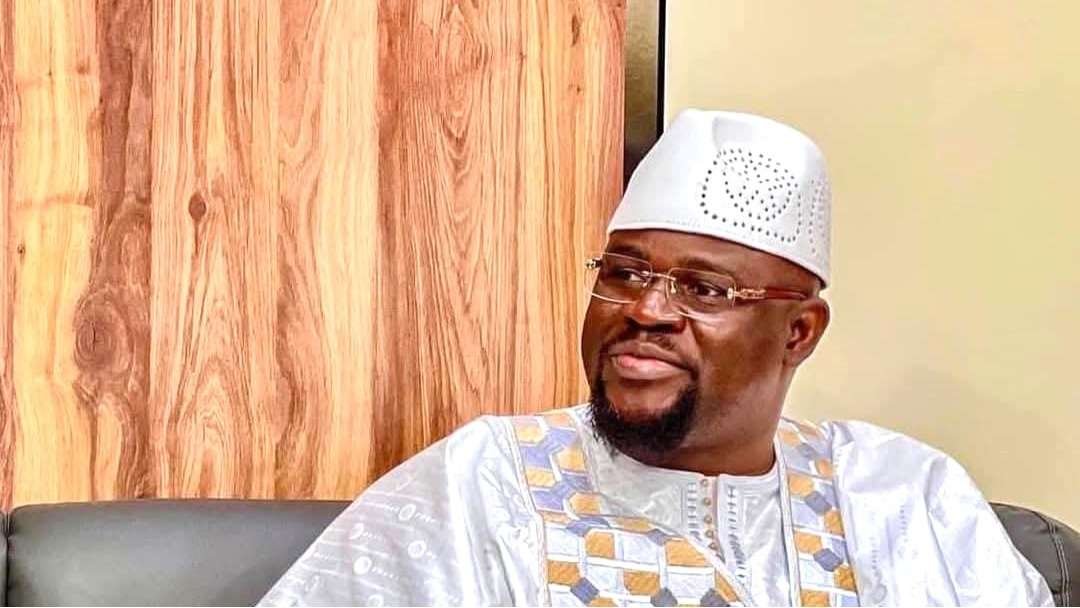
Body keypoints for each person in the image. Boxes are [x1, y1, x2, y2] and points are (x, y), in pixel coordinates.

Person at [258, 110, 1051, 607]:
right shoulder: (482, 485)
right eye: (625, 272)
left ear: (800, 333)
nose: (646, 310)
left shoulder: (906, 499)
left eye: (704, 290)